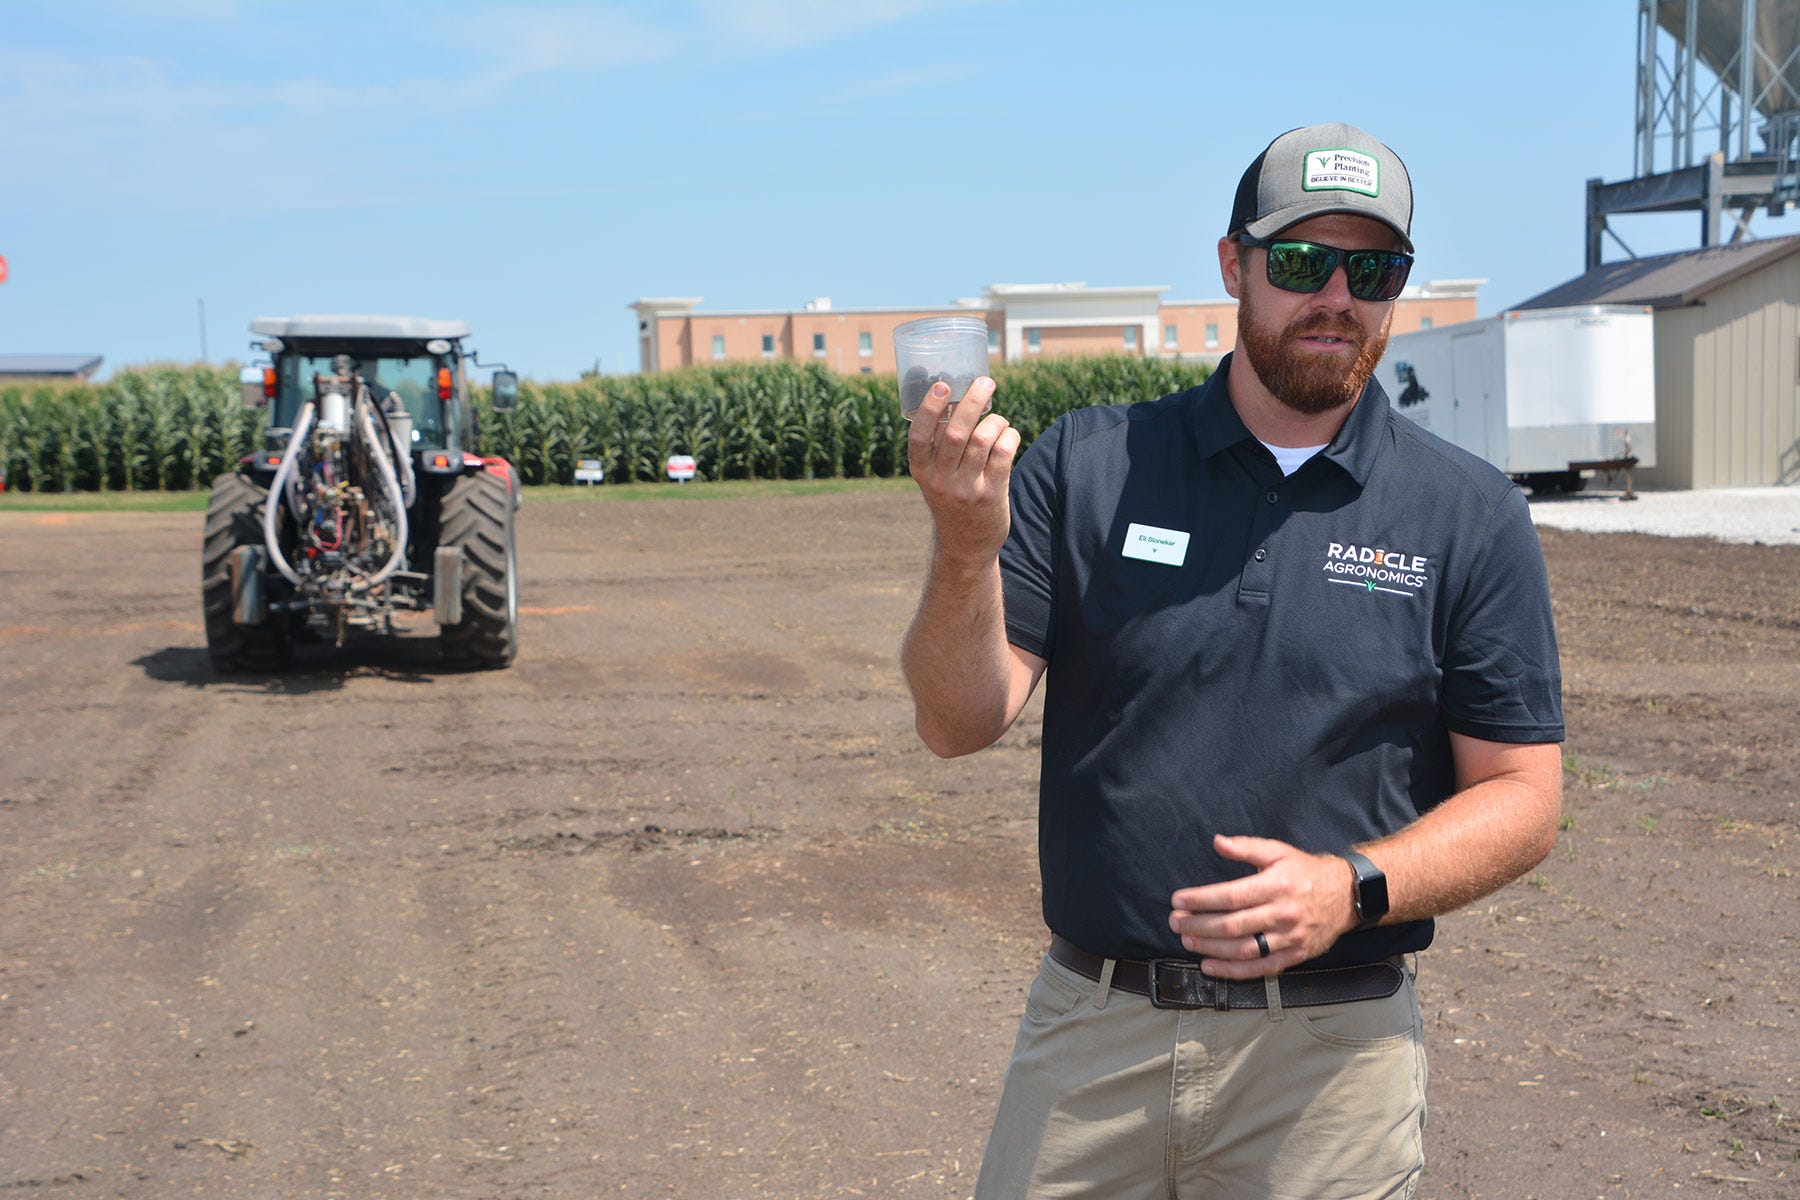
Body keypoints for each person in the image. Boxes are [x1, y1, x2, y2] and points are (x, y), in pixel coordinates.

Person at [900, 123, 1564, 1199]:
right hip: (1092, 1044)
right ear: (1233, 268)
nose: (1335, 296)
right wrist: (967, 549)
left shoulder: (1468, 515)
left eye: (1373, 269)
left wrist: (1351, 888)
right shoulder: (1092, 464)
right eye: (1301, 263)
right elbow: (955, 720)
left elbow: (1525, 799)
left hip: (1330, 1069)